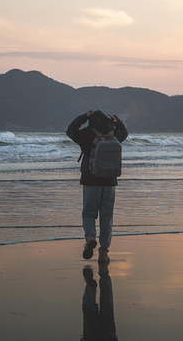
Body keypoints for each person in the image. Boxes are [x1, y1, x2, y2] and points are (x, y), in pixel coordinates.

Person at [67, 110, 128, 263]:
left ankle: (90, 238)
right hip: (110, 183)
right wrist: (116, 121)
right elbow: (125, 132)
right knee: (106, 218)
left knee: (89, 214)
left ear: (91, 122)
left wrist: (83, 116)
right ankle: (104, 251)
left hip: (90, 181)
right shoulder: (114, 135)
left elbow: (70, 130)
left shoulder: (86, 135)